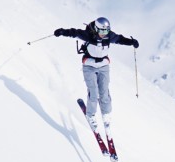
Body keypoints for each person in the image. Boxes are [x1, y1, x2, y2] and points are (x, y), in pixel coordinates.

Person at [54, 17, 139, 155]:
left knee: (104, 92)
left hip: (104, 66)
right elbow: (74, 32)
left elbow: (120, 39)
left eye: (106, 30)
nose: (104, 33)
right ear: (96, 28)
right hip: (89, 66)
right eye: (101, 30)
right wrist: (62, 31)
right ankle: (91, 115)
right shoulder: (89, 34)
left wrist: (131, 42)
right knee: (94, 93)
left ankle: (106, 114)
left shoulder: (108, 36)